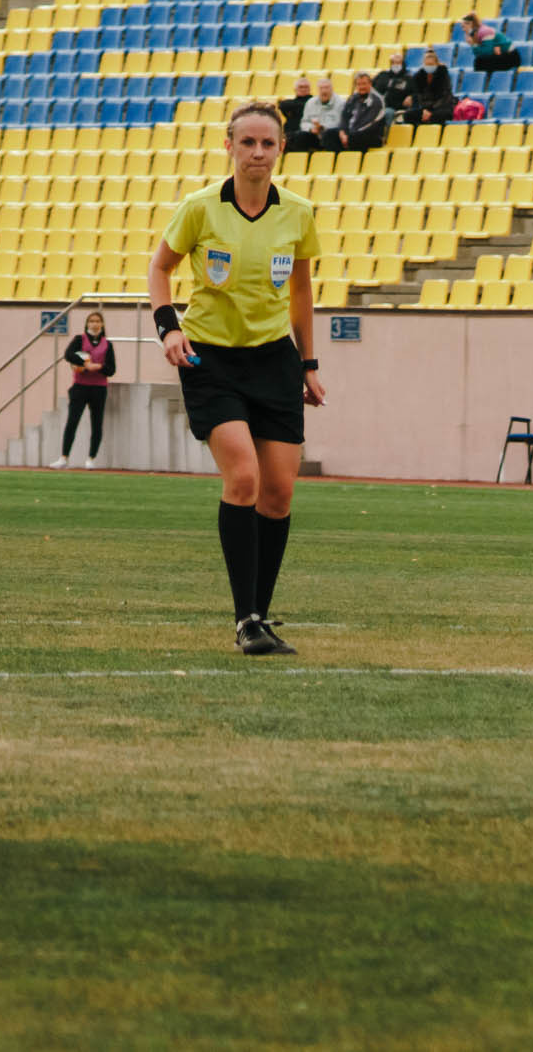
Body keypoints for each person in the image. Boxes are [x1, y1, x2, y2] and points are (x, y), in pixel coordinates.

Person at [147, 102, 326, 657]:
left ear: (281, 151)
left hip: (273, 360)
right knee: (244, 478)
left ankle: (262, 615)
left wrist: (308, 364)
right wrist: (167, 329)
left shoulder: (297, 212)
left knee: (279, 492)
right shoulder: (200, 208)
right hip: (212, 360)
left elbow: (301, 291)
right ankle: (245, 619)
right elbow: (160, 269)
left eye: (267, 144)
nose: (256, 153)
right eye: (246, 142)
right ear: (228, 146)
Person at [50, 311, 117, 470]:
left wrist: (99, 366)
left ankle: (91, 458)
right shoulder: (79, 340)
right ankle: (64, 457)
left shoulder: (108, 344)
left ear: (102, 324)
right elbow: (68, 355)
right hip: (80, 387)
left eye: (97, 321)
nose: (94, 324)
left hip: (99, 389)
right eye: (91, 321)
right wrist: (84, 363)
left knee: (97, 423)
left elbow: (111, 369)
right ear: (87, 324)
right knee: (72, 422)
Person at [322, 72, 385, 152]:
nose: (362, 87)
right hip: (352, 133)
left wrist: (349, 135)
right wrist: (342, 132)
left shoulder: (377, 100)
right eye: (359, 84)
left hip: (372, 135)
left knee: (355, 137)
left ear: (370, 84)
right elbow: (344, 116)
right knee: (328, 134)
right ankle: (338, 158)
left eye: (364, 84)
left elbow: (369, 123)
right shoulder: (353, 98)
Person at [401, 48, 455, 125]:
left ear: (436, 64)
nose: (429, 67)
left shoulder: (443, 75)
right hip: (425, 109)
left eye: (431, 65)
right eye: (427, 65)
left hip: (441, 107)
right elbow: (419, 97)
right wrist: (424, 110)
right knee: (408, 115)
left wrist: (430, 112)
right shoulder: (419, 77)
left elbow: (445, 97)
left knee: (442, 114)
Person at [287, 77, 341, 153]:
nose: (324, 91)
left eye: (327, 88)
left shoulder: (341, 103)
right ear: (317, 90)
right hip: (315, 134)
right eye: (321, 88)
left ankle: (332, 161)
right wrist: (311, 129)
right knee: (299, 136)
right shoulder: (310, 102)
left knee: (330, 134)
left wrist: (322, 127)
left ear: (332, 89)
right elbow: (304, 122)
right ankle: (302, 161)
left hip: (332, 135)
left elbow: (340, 123)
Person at [371, 51, 410, 120]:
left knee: (387, 113)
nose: (396, 65)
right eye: (393, 63)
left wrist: (411, 97)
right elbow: (370, 87)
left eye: (398, 63)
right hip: (375, 105)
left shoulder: (408, 78)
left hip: (392, 107)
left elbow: (414, 93)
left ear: (403, 64)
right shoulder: (382, 75)